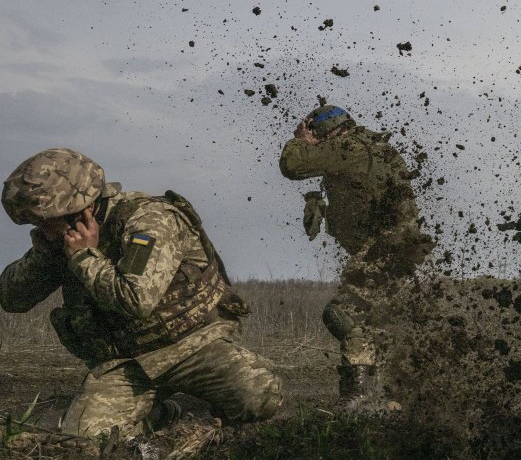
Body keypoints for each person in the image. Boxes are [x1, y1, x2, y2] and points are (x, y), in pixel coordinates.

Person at [0, 148, 282, 438]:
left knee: (260, 397)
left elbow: (136, 298)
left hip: (193, 346)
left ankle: (198, 405)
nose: (43, 230)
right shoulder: (64, 239)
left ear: (80, 209)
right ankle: (168, 412)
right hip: (127, 363)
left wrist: (85, 257)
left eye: (47, 221)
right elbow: (11, 299)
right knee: (87, 437)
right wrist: (47, 254)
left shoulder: (149, 221)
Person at [279, 105, 434, 411]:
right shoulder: (374, 147)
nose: (318, 143)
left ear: (327, 131)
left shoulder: (348, 146)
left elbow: (293, 165)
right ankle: (387, 399)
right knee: (375, 325)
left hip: (386, 249)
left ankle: (360, 395)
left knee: (342, 314)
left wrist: (300, 140)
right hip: (397, 249)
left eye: (317, 136)